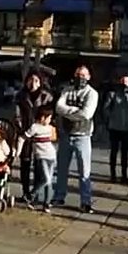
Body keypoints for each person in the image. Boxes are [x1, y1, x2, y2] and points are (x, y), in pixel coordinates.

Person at [50, 64, 100, 213]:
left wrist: (67, 112)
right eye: (78, 74)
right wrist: (74, 112)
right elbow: (58, 107)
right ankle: (59, 196)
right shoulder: (67, 90)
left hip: (83, 136)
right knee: (61, 169)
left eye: (83, 75)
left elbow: (86, 114)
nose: (80, 78)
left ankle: (85, 201)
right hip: (65, 134)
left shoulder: (92, 93)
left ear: (89, 77)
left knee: (84, 171)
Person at [14, 72, 54, 202]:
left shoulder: (46, 96)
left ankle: (35, 194)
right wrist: (20, 127)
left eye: (36, 80)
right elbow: (16, 113)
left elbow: (50, 114)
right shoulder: (21, 95)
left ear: (41, 82)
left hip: (40, 135)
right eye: (30, 80)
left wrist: (43, 127)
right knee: (25, 163)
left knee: (39, 165)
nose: (33, 83)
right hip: (25, 132)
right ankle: (25, 192)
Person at [103, 73, 128, 184]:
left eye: (126, 82)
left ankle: (124, 175)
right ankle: (113, 175)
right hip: (114, 127)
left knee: (125, 153)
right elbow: (106, 109)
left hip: (127, 128)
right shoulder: (112, 94)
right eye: (123, 81)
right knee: (114, 151)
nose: (124, 84)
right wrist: (109, 120)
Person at [24, 105, 59, 212]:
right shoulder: (35, 127)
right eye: (49, 117)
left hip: (51, 155)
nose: (50, 120)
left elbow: (54, 138)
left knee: (49, 181)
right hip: (41, 156)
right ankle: (32, 195)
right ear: (43, 117)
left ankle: (47, 202)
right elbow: (25, 137)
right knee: (44, 178)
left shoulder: (50, 127)